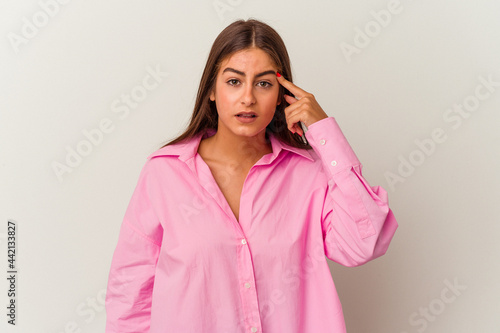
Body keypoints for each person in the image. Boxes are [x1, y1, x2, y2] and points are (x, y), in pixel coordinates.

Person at [105, 18, 398, 333]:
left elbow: (365, 243)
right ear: (212, 91)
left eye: (263, 83)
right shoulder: (165, 173)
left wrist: (324, 131)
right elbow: (130, 295)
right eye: (234, 81)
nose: (248, 98)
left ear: (283, 95)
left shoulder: (308, 173)